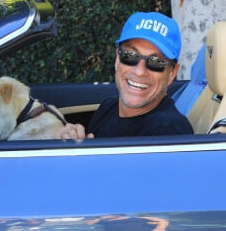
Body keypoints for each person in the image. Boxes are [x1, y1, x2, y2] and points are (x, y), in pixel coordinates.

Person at [57, 12, 193, 139]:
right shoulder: (108, 107)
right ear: (117, 58)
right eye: (130, 55)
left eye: (156, 62)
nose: (139, 71)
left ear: (172, 73)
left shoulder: (169, 133)